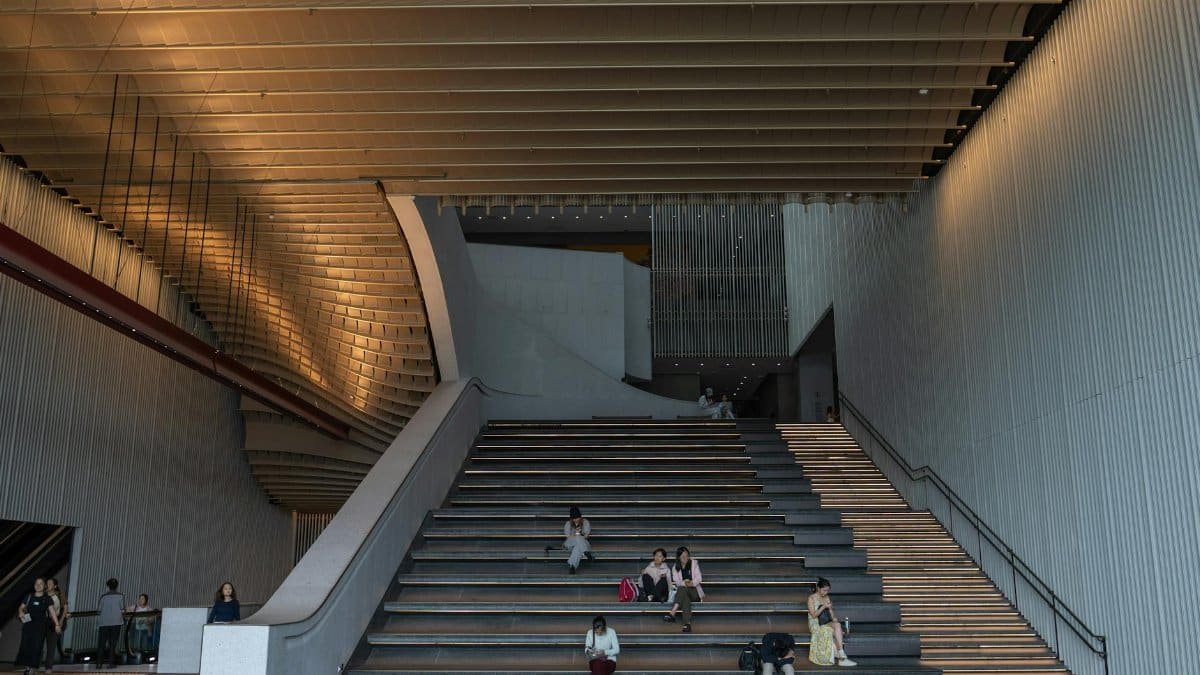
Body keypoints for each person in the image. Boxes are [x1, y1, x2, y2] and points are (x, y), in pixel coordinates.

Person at [15, 578, 60, 675]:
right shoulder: (29, 596)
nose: (38, 585)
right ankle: (27, 667)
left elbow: (52, 612)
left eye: (41, 584)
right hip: (28, 626)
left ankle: (32, 668)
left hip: (40, 627)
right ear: (34, 585)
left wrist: (57, 624)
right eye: (36, 583)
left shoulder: (47, 598)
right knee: (26, 646)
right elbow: (21, 607)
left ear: (44, 586)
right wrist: (20, 612)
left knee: (36, 647)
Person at [807, 578, 856, 667]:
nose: (825, 592)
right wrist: (823, 606)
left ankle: (841, 653)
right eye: (824, 590)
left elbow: (830, 613)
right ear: (818, 588)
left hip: (825, 621)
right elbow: (813, 615)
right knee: (834, 631)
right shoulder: (811, 598)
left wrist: (833, 616)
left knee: (837, 625)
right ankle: (842, 659)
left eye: (827, 590)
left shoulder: (827, 597)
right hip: (815, 623)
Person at [662, 546, 703, 632]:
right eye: (683, 556)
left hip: (695, 592)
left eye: (687, 556)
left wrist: (691, 583)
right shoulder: (675, 567)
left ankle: (673, 612)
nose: (685, 558)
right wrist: (685, 582)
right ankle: (687, 624)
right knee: (685, 598)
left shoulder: (694, 563)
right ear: (679, 557)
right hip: (684, 593)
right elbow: (677, 582)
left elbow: (699, 578)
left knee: (682, 588)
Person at [97, 577, 127, 669]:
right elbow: (123, 610)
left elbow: (98, 611)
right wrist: (124, 619)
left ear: (108, 586)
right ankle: (111, 663)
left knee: (101, 643)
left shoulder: (103, 596)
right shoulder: (121, 596)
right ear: (117, 586)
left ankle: (99, 664)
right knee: (113, 643)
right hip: (116, 622)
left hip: (104, 623)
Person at [43, 577, 69, 669]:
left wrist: (60, 621)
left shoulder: (59, 594)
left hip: (55, 621)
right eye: (47, 583)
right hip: (43, 621)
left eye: (50, 583)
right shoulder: (43, 595)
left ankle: (48, 668)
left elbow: (65, 608)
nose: (48, 585)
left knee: (51, 646)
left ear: (55, 586)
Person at [563, 506, 593, 575]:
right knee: (577, 538)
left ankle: (572, 567)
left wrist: (580, 533)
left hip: (583, 542)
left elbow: (586, 535)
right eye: (574, 518)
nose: (576, 520)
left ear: (580, 516)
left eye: (577, 518)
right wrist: (574, 533)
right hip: (570, 543)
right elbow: (568, 536)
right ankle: (586, 552)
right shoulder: (568, 524)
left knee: (577, 547)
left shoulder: (585, 522)